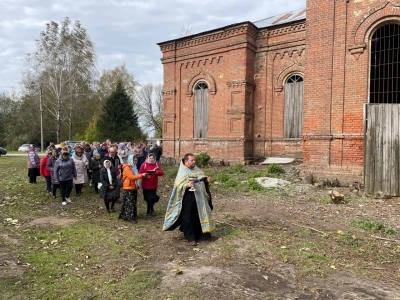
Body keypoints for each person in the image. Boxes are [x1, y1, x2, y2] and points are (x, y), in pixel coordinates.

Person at [163, 153, 214, 246]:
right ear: (186, 161)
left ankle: (202, 234)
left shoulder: (197, 169)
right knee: (188, 217)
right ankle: (190, 237)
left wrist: (206, 180)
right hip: (188, 197)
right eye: (192, 160)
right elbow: (178, 186)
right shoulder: (182, 172)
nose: (194, 162)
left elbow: (201, 180)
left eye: (194, 160)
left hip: (199, 198)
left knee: (199, 215)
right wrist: (187, 185)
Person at [119, 155, 147, 223]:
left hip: (133, 186)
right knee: (130, 203)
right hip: (128, 187)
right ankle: (130, 217)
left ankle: (128, 215)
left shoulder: (134, 167)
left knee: (132, 202)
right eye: (134, 160)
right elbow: (131, 177)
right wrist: (141, 175)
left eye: (136, 160)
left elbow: (135, 176)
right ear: (130, 160)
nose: (136, 162)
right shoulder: (127, 168)